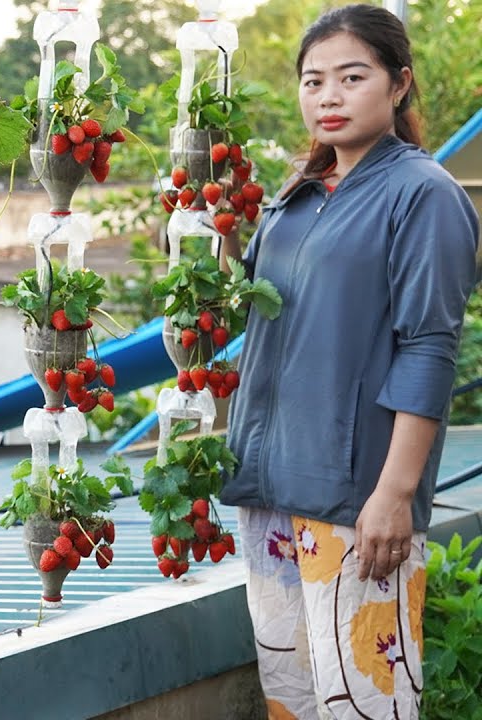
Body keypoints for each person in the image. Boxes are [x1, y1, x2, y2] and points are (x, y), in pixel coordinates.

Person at [219, 5, 479, 719]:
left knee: (367, 701)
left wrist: (395, 493)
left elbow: (430, 346)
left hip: (356, 503)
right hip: (272, 493)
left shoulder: (424, 195)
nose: (327, 96)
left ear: (398, 85)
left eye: (350, 77)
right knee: (292, 695)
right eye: (313, 81)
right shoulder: (296, 198)